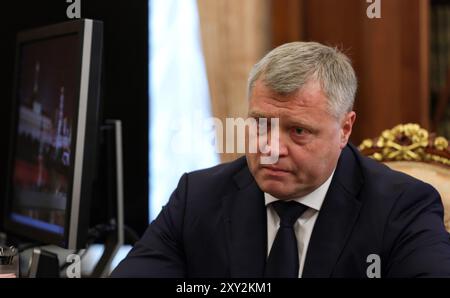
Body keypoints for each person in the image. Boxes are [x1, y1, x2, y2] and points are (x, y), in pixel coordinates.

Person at [111, 42, 450, 278]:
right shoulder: (197, 197)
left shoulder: (403, 207)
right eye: (261, 124)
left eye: (298, 131)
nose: (271, 148)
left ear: (345, 128)